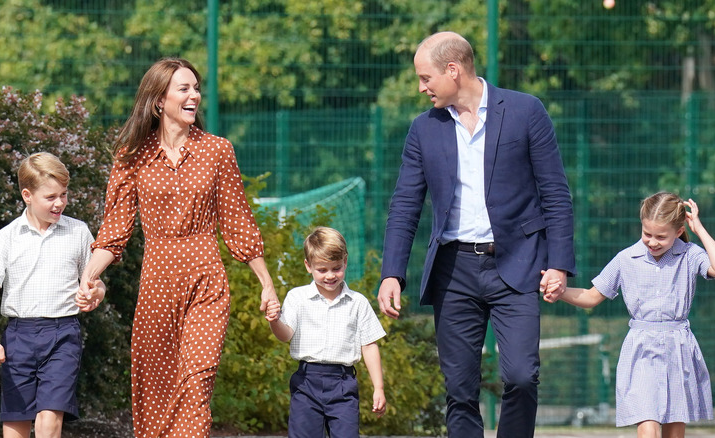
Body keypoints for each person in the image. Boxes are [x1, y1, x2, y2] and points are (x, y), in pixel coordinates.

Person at [377, 31, 576, 438]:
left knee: (522, 376)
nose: (421, 88)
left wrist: (558, 264)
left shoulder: (525, 111)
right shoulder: (423, 130)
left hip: (518, 264)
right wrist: (392, 272)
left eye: (426, 77)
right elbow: (404, 205)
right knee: (460, 389)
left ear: (453, 70)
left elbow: (555, 193)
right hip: (454, 271)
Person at [77, 58, 278, 437]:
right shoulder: (131, 157)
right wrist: (89, 277)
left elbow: (237, 221)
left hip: (206, 281)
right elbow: (116, 229)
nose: (195, 96)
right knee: (155, 390)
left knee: (196, 384)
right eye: (184, 89)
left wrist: (266, 282)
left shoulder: (217, 150)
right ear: (158, 100)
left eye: (196, 88)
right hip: (156, 285)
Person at [541, 192, 715, 438]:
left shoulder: (690, 254)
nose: (652, 242)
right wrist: (561, 291)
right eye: (647, 234)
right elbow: (591, 297)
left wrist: (699, 229)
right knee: (648, 430)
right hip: (641, 350)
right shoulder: (625, 259)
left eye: (661, 237)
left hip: (679, 349)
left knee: (674, 433)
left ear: (678, 231)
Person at [0, 152, 106, 438]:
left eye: (63, 194)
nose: (59, 203)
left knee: (50, 418)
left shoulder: (78, 232)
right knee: (16, 424)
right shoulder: (7, 237)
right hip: (19, 337)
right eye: (50, 197)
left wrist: (95, 293)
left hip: (63, 335)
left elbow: (95, 282)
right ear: (27, 195)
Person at [266, 227, 386, 438]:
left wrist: (379, 387)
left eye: (336, 268)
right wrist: (274, 321)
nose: (330, 276)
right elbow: (285, 335)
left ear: (345, 262)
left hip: (342, 383)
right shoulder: (297, 297)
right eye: (322, 270)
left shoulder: (357, 303)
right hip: (306, 382)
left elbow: (369, 345)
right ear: (308, 266)